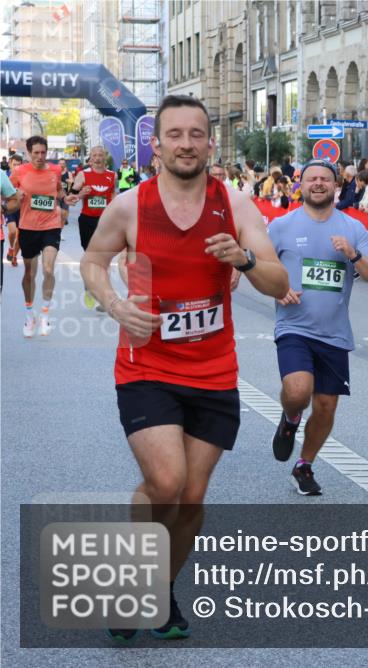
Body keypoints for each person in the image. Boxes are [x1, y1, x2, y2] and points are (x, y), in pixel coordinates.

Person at [80, 94, 289, 642]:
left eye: (196, 134)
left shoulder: (236, 204)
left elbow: (278, 281)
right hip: (146, 363)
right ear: (157, 144)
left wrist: (243, 259)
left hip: (215, 369)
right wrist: (115, 304)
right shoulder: (129, 205)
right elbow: (94, 261)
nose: (186, 143)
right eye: (174, 134)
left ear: (209, 143)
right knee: (166, 481)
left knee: (191, 497)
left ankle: (158, 589)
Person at [268, 160, 368, 494]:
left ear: (336, 186)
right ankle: (291, 418)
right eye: (311, 179)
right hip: (294, 326)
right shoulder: (281, 226)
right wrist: (279, 288)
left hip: (335, 332)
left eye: (325, 179)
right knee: (297, 391)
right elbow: (258, 265)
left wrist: (353, 256)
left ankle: (304, 465)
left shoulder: (353, 228)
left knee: (325, 406)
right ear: (300, 185)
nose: (318, 184)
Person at [10, 136, 64, 337]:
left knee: (48, 269)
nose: (40, 157)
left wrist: (67, 197)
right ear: (29, 153)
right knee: (29, 274)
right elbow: (8, 199)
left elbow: (59, 191)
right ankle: (29, 313)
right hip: (28, 227)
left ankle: (45, 314)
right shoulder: (19, 172)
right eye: (36, 153)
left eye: (43, 152)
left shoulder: (56, 170)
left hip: (51, 225)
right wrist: (16, 196)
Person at [68, 146, 117, 308]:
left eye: (100, 155)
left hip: (106, 221)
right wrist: (82, 194)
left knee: (104, 259)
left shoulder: (112, 175)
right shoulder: (84, 174)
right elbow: (71, 197)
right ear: (91, 158)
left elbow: (112, 196)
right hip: (87, 221)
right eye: (94, 155)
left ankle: (103, 298)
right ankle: (89, 284)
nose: (98, 158)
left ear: (105, 157)